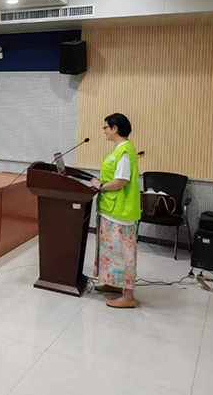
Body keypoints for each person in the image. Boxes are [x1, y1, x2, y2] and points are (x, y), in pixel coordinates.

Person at [91, 113, 141, 309]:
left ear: (115, 128)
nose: (104, 130)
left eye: (106, 127)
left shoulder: (125, 151)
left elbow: (121, 180)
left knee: (123, 253)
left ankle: (128, 297)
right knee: (111, 250)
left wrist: (101, 186)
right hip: (111, 209)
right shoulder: (118, 150)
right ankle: (113, 283)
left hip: (121, 211)